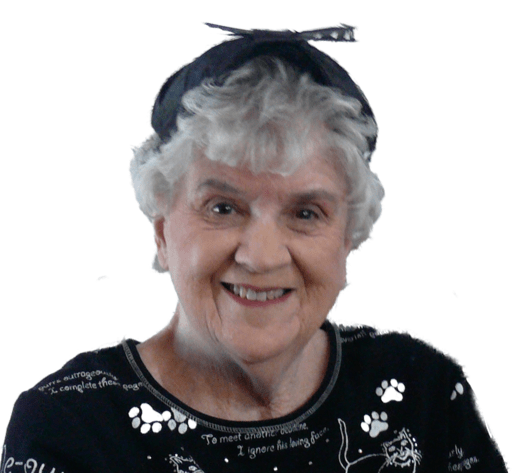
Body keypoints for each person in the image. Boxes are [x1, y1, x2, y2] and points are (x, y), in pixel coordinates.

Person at [1, 24, 508, 473]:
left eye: (306, 213)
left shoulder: (422, 395)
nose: (262, 257)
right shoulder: (70, 427)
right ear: (160, 228)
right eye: (223, 207)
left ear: (348, 237)